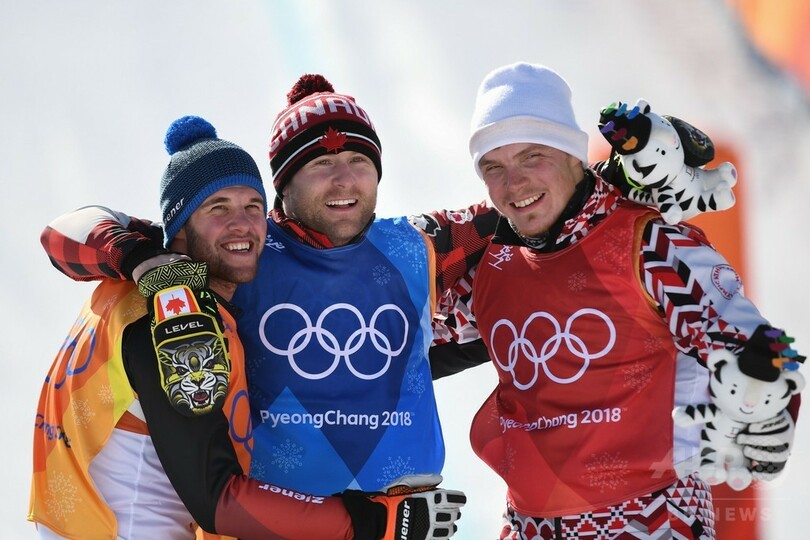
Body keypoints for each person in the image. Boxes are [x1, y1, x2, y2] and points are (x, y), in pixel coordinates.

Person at [37, 73, 732, 530]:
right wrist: (139, 255)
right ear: (284, 187)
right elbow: (74, 231)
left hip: (407, 517)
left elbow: (529, 205)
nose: (344, 180)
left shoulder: (415, 245)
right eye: (319, 164)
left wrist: (629, 172)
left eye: (359, 162)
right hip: (287, 521)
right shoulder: (238, 256)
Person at [30, 115, 466, 540]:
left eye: (252, 207)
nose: (242, 224)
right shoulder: (181, 318)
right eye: (218, 207)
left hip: (79, 519)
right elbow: (219, 500)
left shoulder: (137, 283)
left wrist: (137, 257)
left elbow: (62, 230)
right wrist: (378, 523)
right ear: (179, 228)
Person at [436, 61, 803, 540]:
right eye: (494, 167)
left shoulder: (649, 242)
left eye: (532, 156)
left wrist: (770, 410)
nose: (515, 183)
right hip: (530, 526)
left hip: (650, 522)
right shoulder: (492, 266)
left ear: (574, 155)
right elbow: (396, 345)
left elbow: (747, 340)